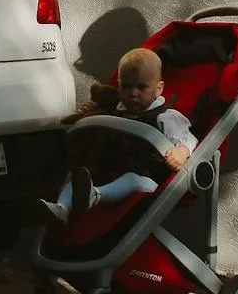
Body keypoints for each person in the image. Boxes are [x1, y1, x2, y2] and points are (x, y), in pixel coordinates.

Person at [40, 48, 195, 226]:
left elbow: (188, 138)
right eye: (126, 86)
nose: (133, 93)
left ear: (158, 89)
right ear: (119, 84)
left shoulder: (166, 116)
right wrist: (91, 112)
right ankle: (61, 209)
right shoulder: (115, 109)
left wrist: (182, 151)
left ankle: (95, 196)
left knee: (134, 180)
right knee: (78, 175)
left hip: (146, 178)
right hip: (109, 171)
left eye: (141, 87)